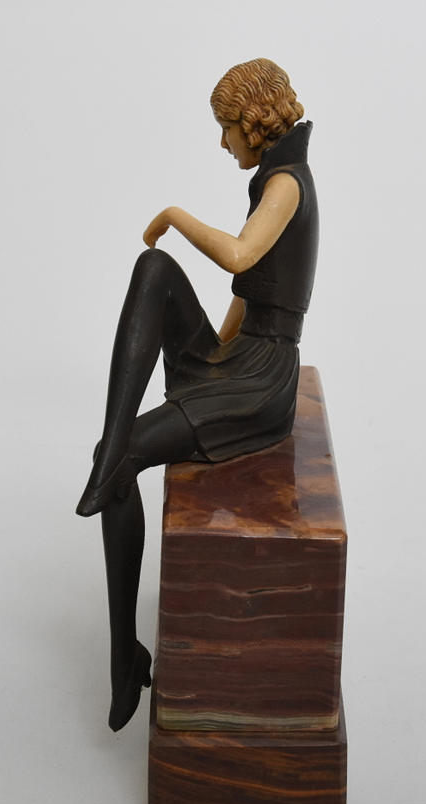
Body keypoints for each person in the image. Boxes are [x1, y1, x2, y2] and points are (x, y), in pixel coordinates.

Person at [76, 58, 318, 731]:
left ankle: (125, 655)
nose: (222, 142)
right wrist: (212, 354)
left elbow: (240, 256)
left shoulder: (286, 184)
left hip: (262, 380)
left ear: (252, 122)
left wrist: (177, 215)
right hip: (239, 358)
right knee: (153, 268)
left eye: (226, 128)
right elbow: (250, 291)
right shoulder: (275, 177)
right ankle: (112, 453)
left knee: (117, 460)